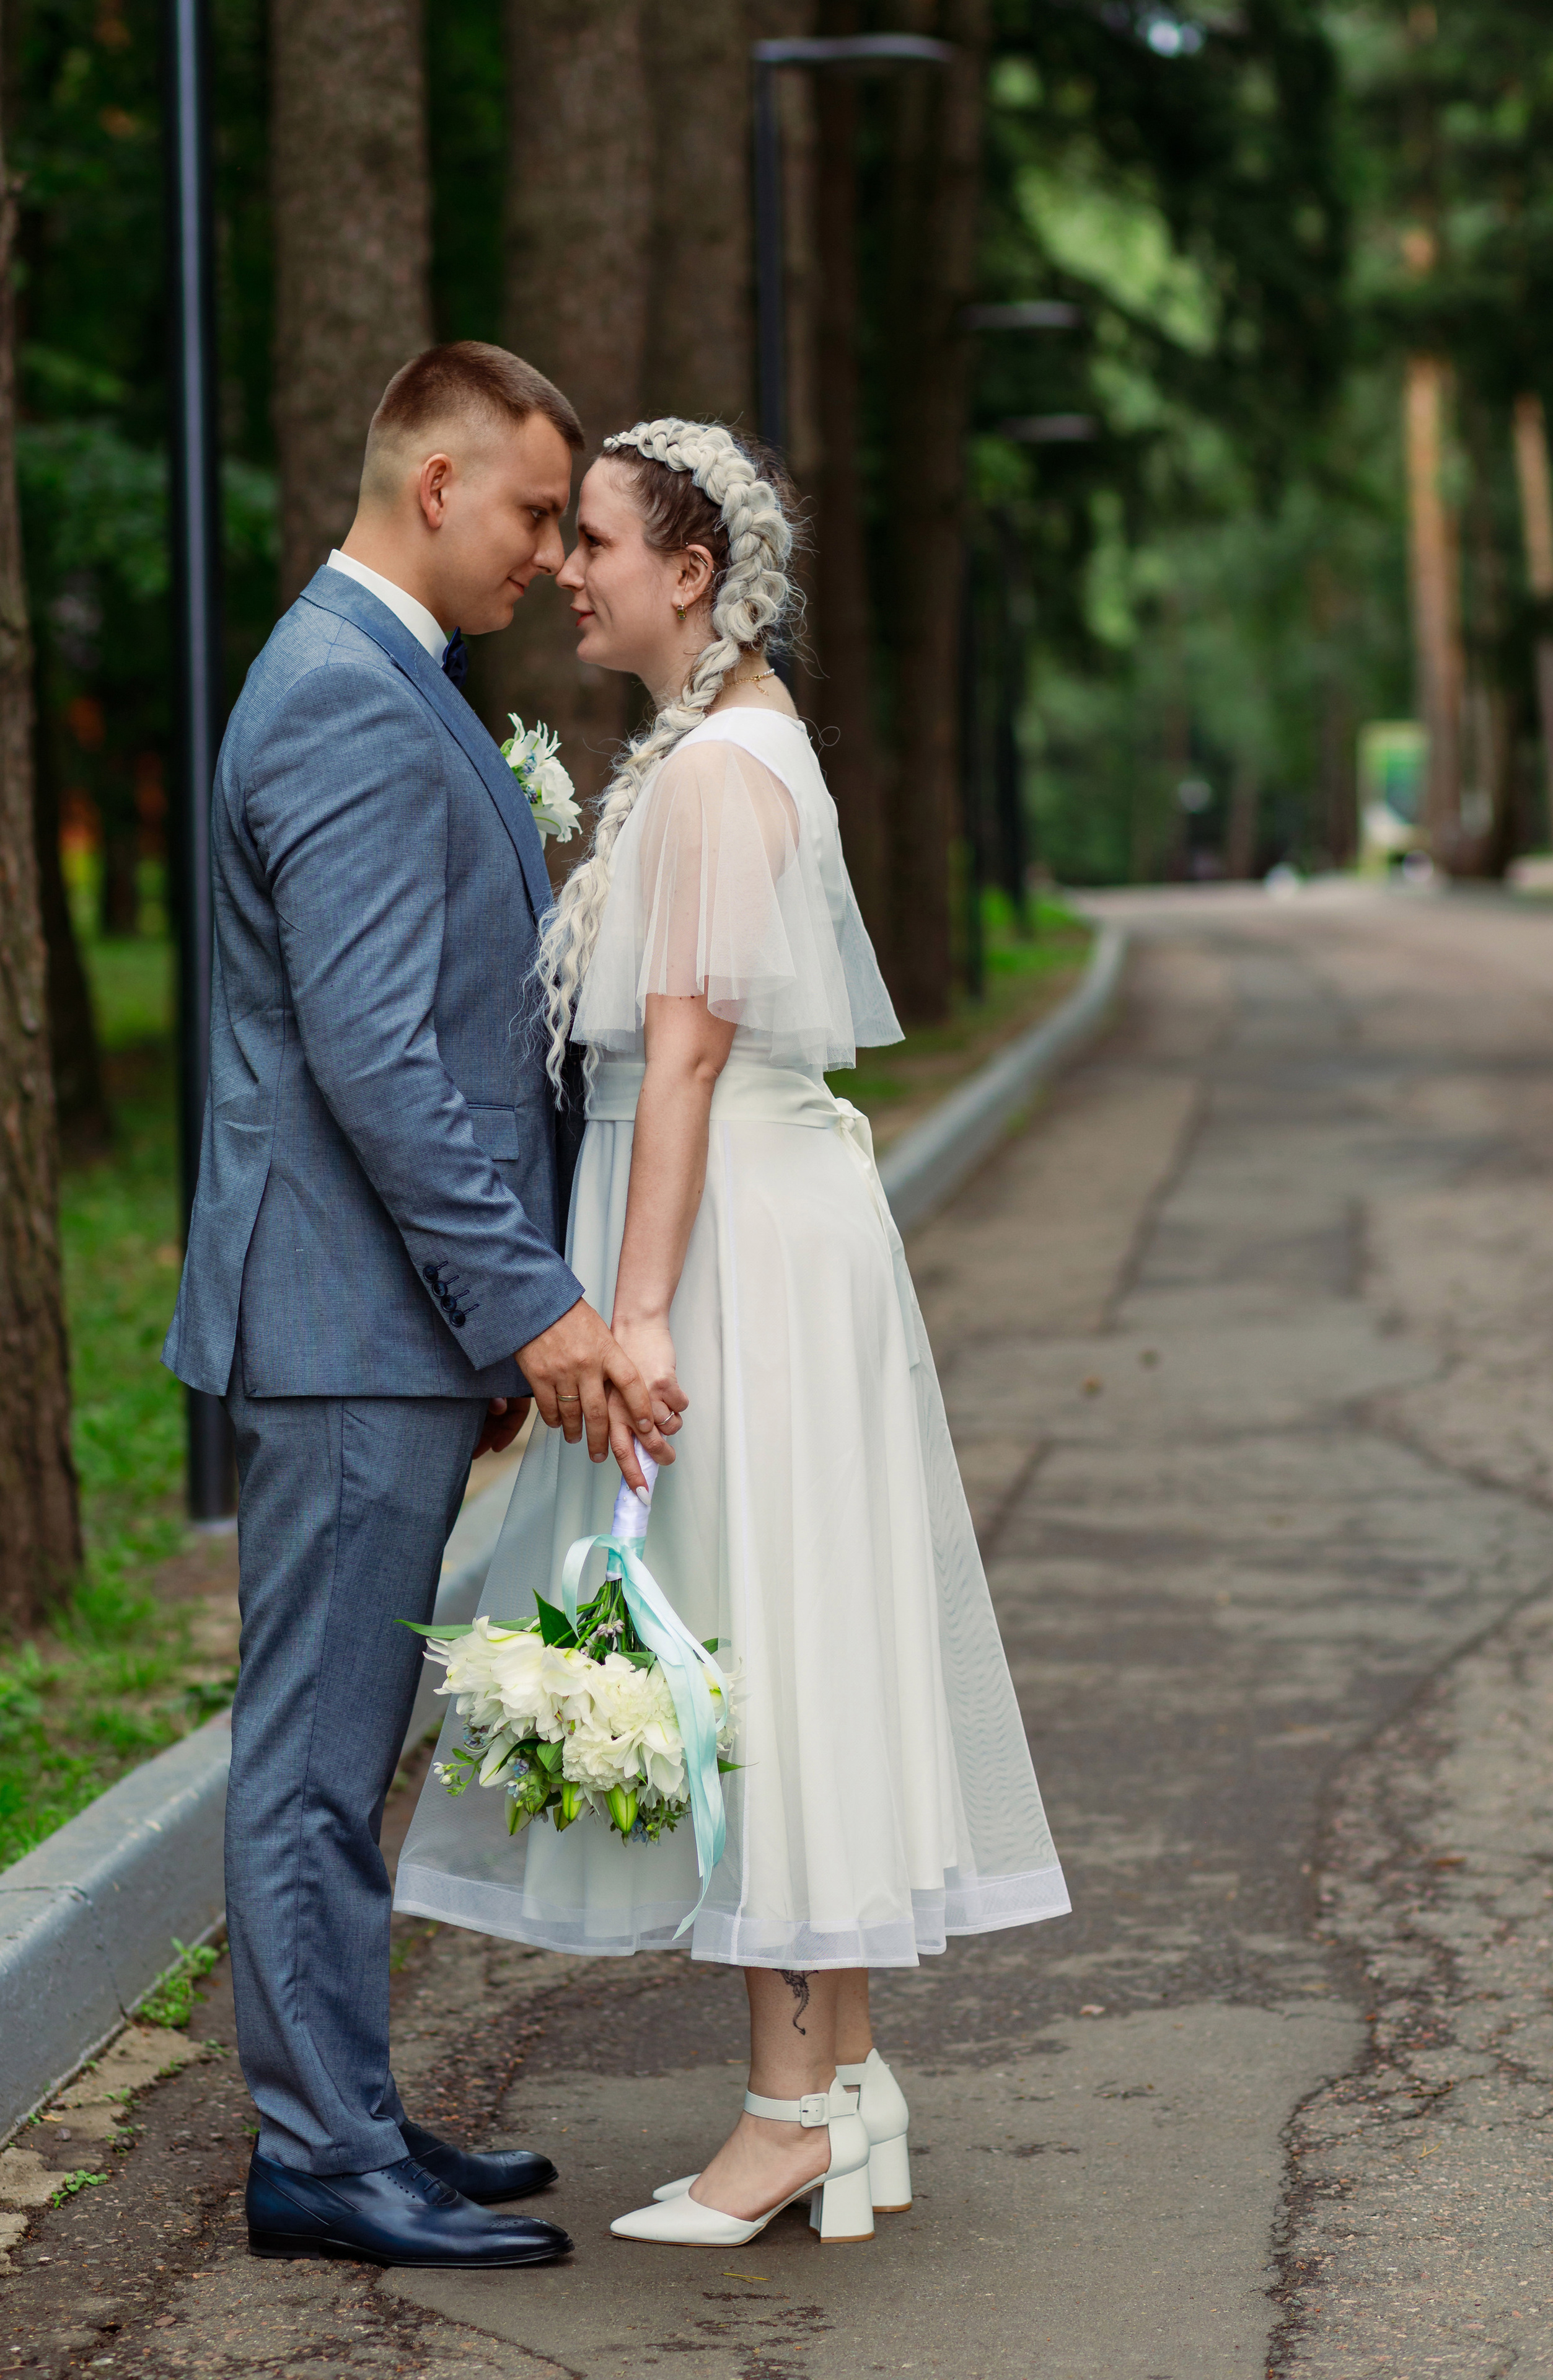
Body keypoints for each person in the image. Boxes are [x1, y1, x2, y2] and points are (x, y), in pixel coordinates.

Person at [394, 420, 1070, 2249]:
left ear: (688, 574)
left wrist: (636, 1308)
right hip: (777, 1225)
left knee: (752, 1647)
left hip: (725, 1253)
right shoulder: (736, 746)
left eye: (598, 540)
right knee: (797, 1637)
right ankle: (842, 2086)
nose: (572, 569)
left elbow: (681, 1059)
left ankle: (783, 2114)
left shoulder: (711, 778)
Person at [164, 343, 676, 2272]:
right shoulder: (340, 700)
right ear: (437, 485)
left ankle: (356, 2113)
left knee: (343, 1742)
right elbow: (383, 1062)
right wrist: (530, 1310)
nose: (553, 556)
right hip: (345, 1313)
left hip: (387, 1318)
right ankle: (315, 2159)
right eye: (537, 514)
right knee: (308, 1754)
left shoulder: (392, 681)